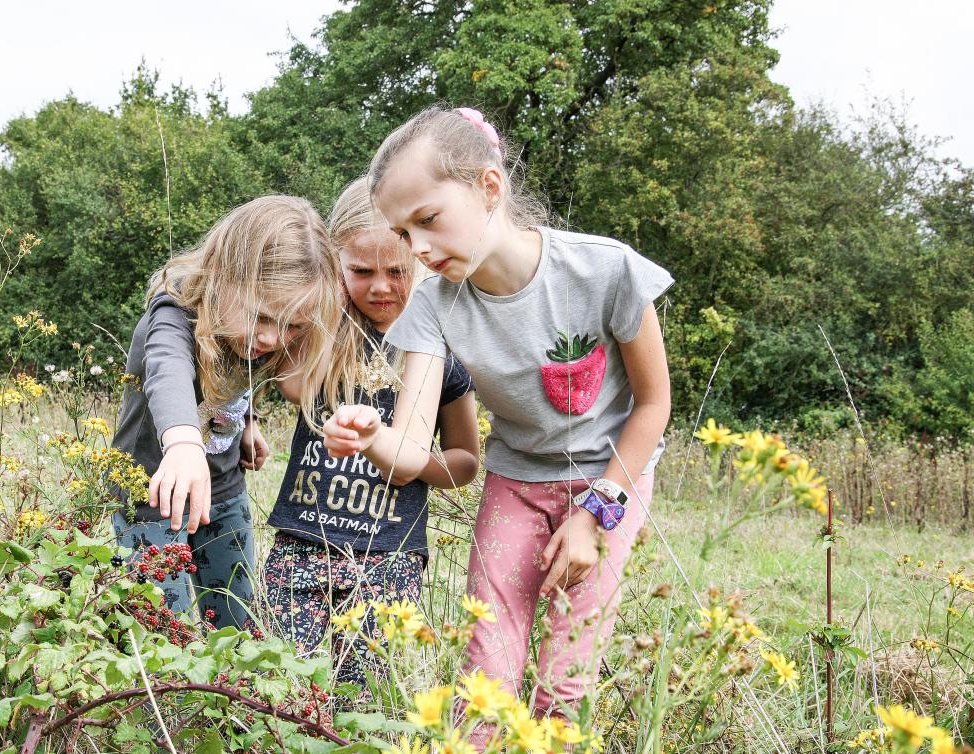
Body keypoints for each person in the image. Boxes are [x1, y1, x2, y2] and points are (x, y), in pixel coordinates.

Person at [322, 107, 673, 726]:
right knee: (488, 668)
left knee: (566, 679)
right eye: (404, 234)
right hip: (515, 485)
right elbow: (408, 451)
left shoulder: (605, 271)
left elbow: (653, 405)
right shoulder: (431, 306)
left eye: (427, 220)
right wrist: (374, 436)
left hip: (611, 479)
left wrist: (597, 513)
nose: (419, 250)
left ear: (489, 187)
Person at [261, 178, 480, 687]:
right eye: (360, 271)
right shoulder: (326, 334)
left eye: (397, 271)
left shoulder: (440, 349)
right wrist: (327, 300)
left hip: (389, 551)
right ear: (336, 267)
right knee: (283, 683)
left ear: (424, 265)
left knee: (366, 692)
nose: (380, 287)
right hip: (301, 541)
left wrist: (410, 461)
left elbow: (466, 460)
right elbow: (293, 388)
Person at [111, 195, 351, 630]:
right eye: (262, 317)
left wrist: (247, 422)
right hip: (152, 496)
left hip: (223, 489)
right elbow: (168, 372)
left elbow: (238, 377)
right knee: (166, 630)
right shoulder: (172, 317)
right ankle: (166, 699)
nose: (271, 338)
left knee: (236, 621)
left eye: (292, 327)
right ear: (224, 277)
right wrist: (183, 444)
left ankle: (228, 697)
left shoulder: (251, 334)